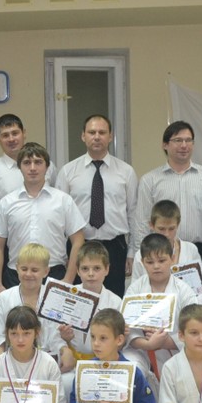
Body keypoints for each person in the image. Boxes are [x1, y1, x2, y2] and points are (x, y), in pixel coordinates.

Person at [56, 114, 137, 296]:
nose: (97, 137)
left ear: (110, 136)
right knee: (78, 301)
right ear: (83, 136)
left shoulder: (126, 172)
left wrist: (132, 252)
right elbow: (60, 218)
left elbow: (133, 214)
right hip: (79, 246)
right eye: (92, 132)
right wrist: (63, 254)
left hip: (115, 248)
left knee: (113, 301)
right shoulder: (68, 172)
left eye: (102, 132)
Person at [0, 114, 57, 288]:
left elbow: (56, 201)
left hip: (46, 248)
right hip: (9, 249)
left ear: (24, 133)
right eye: (5, 135)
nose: (11, 139)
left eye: (15, 133)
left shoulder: (48, 167)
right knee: (13, 300)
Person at [0, 142, 85, 291]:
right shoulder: (6, 203)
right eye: (27, 163)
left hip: (55, 274)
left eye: (38, 162)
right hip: (16, 275)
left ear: (47, 166)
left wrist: (68, 279)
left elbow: (78, 240)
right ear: (19, 167)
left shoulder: (63, 201)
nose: (32, 168)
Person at [136, 121, 202, 275]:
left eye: (188, 140)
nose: (184, 145)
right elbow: (142, 222)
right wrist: (140, 253)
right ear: (165, 145)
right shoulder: (150, 180)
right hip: (160, 253)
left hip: (198, 250)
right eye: (178, 140)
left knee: (197, 292)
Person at [123, 234, 197, 389]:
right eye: (150, 262)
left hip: (176, 351)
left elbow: (194, 329)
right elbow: (127, 330)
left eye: (162, 261)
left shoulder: (184, 291)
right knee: (131, 368)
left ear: (172, 258)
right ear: (142, 262)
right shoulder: (135, 289)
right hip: (142, 351)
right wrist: (148, 344)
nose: (156, 266)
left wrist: (166, 342)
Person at [56, 241, 123, 396]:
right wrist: (64, 339)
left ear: (107, 269)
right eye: (85, 269)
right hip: (72, 362)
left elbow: (119, 343)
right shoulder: (67, 296)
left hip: (103, 363)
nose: (91, 274)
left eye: (97, 268)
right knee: (65, 383)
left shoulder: (115, 302)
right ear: (77, 270)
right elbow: (54, 334)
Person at [0, 243, 67, 371]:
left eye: (34, 270)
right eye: (24, 269)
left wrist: (65, 350)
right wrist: (2, 364)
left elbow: (57, 337)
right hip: (14, 360)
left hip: (48, 360)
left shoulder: (55, 298)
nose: (28, 274)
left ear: (46, 271)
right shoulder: (4, 298)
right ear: (17, 268)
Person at [131, 200, 201, 281]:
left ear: (178, 224)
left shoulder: (191, 250)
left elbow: (199, 284)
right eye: (161, 229)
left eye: (171, 228)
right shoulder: (140, 255)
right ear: (151, 225)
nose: (167, 234)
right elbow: (135, 287)